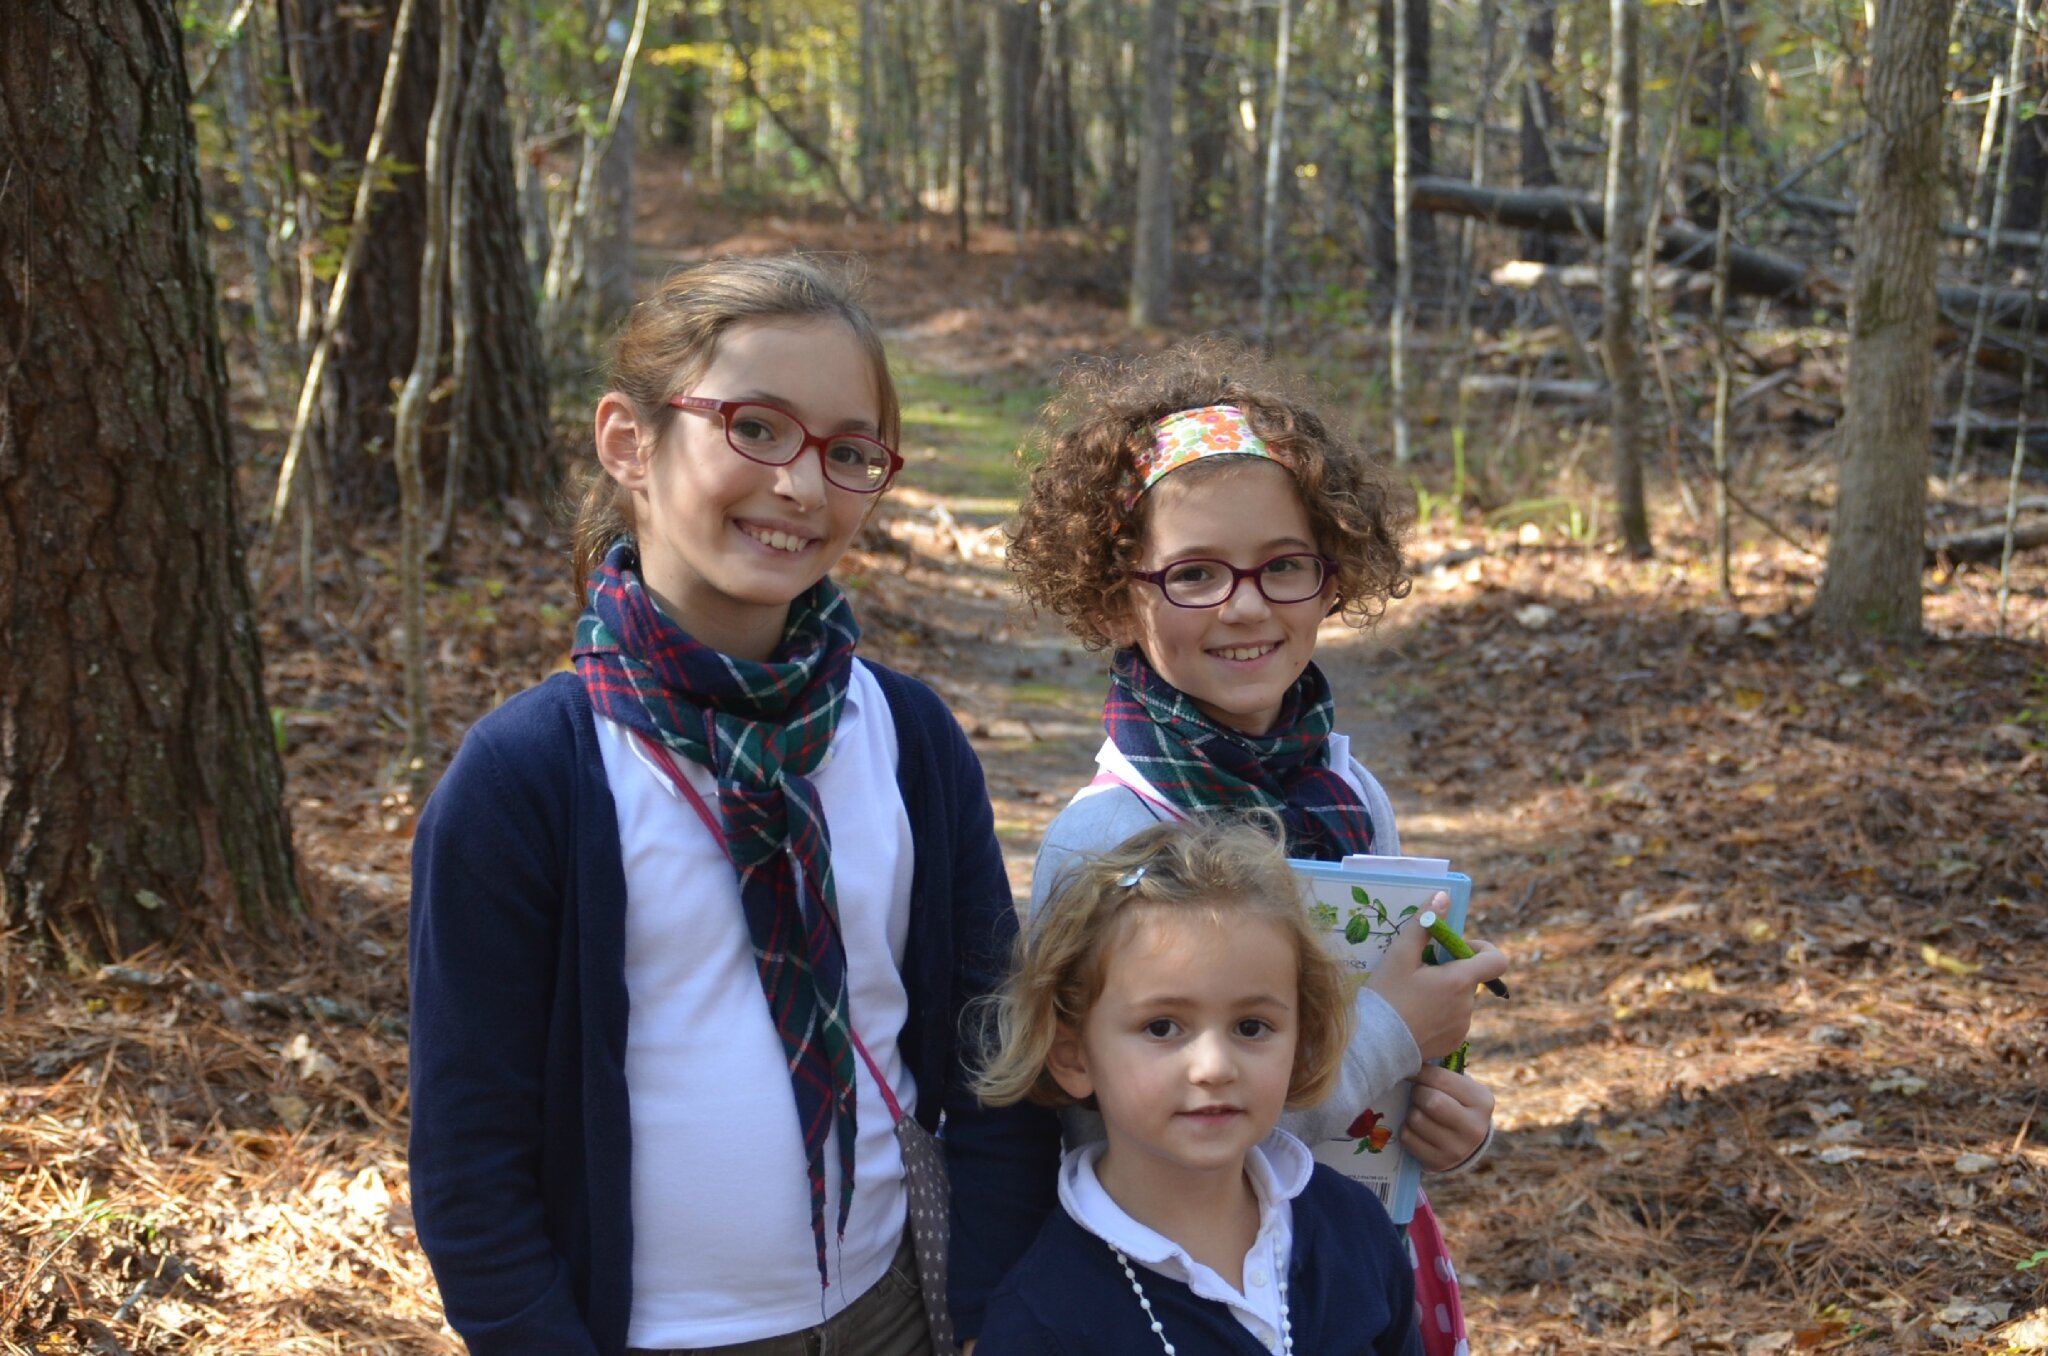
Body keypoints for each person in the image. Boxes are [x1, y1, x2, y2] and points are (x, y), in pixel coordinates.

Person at [408, 255, 1059, 1356]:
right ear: (629, 441)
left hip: (897, 1311)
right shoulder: (531, 778)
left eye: (847, 452)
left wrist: (983, 1308)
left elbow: (993, 1052)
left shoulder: (904, 741)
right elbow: (472, 1158)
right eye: (755, 427)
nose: (801, 487)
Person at [1005, 341, 1508, 1354]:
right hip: (1180, 1293)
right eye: (1192, 573)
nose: (1244, 604)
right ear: (1116, 598)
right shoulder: (1108, 837)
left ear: (1332, 576)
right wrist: (1389, 1040)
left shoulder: (1344, 790)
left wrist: (1438, 1117)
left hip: (1346, 1255)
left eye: (1282, 565)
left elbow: (1372, 1028)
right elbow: (1120, 1128)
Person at [972, 816, 1423, 1355]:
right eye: (1161, 1027)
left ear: (1302, 1039)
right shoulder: (1041, 1321)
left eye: (1251, 1027)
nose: (1213, 1067)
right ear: (1073, 1057)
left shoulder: (1353, 1228)